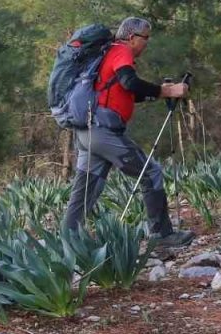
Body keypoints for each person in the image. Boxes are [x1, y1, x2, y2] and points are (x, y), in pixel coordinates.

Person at [61, 16, 193, 247]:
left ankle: (66, 244)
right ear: (132, 37)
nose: (146, 43)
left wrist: (159, 91)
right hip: (103, 133)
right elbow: (130, 83)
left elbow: (126, 91)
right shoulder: (121, 51)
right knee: (151, 173)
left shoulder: (108, 53)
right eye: (145, 38)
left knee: (84, 191)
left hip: (87, 133)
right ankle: (162, 235)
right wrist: (166, 91)